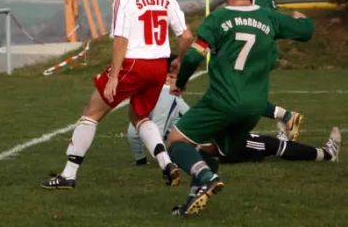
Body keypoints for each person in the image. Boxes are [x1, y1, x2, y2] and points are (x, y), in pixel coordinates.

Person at [166, 0, 315, 216]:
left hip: (222, 102)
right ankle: (193, 199)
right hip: (254, 108)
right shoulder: (270, 17)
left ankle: (206, 177)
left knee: (175, 141)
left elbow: (193, 55)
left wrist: (180, 82)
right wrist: (302, 19)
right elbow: (307, 32)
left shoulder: (219, 18)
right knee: (209, 149)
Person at [40, 0, 193, 190]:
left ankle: (68, 175)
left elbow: (120, 39)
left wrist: (113, 77)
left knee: (91, 112)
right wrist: (178, 62)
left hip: (133, 64)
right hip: (158, 66)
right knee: (139, 116)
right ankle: (166, 163)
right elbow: (186, 36)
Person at [127, 63, 340, 166]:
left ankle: (285, 126)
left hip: (201, 146)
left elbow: (133, 131)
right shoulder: (168, 98)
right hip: (219, 148)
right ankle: (326, 154)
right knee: (269, 145)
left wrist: (142, 159)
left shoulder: (145, 99)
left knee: (262, 139)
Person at [242, 0, 303, 141]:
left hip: (261, 54)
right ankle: (287, 118)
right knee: (244, 95)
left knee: (242, 96)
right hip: (250, 54)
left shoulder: (262, 1)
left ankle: (285, 118)